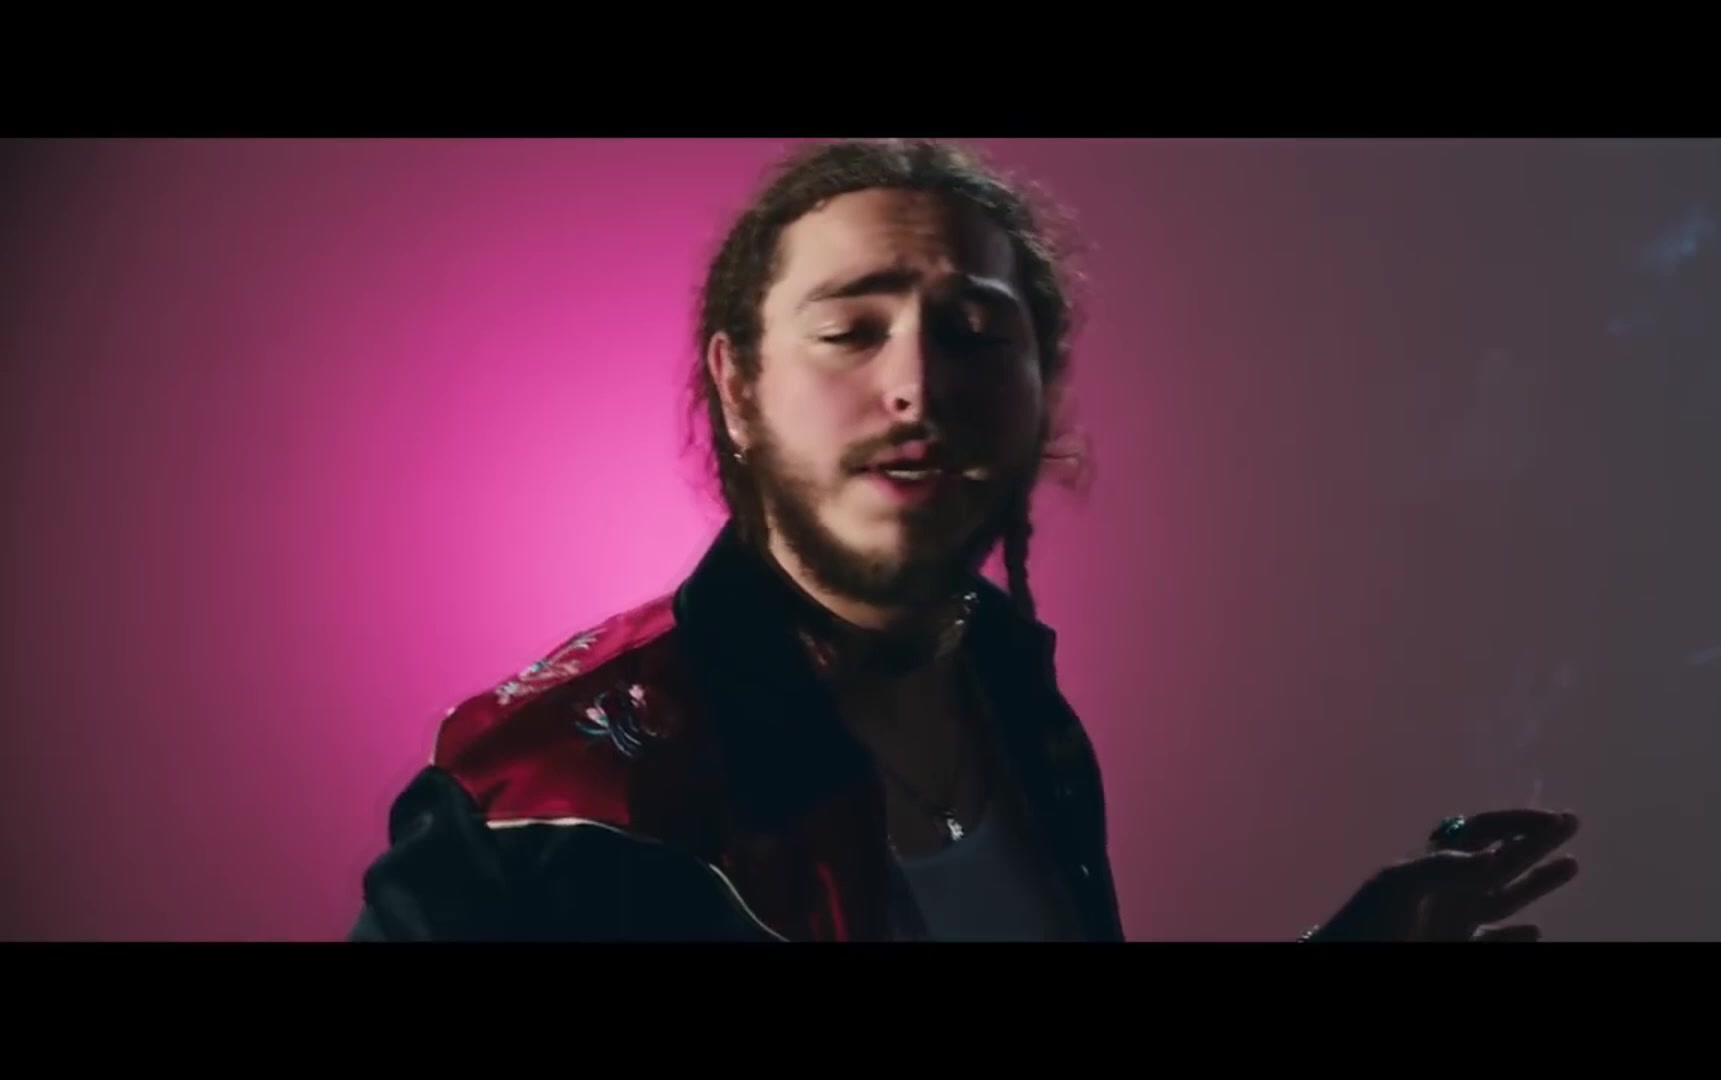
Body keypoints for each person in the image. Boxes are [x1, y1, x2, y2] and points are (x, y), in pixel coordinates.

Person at [348, 138, 1581, 942]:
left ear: (1041, 392)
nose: (918, 388)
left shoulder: (1019, 703)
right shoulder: (536, 800)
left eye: (976, 335)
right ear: (739, 386)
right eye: (851, 330)